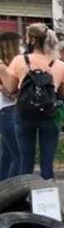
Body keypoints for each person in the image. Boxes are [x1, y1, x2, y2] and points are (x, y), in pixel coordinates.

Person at [0, 24, 64, 181]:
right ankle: (47, 192)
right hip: (49, 113)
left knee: (25, 159)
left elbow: (11, 88)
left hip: (24, 113)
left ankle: (23, 192)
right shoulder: (59, 64)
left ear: (31, 40)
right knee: (47, 161)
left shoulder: (19, 60)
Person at [0, 32, 21, 180]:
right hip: (8, 110)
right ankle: (12, 188)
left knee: (7, 154)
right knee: (19, 154)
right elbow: (12, 90)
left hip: (6, 110)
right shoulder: (2, 66)